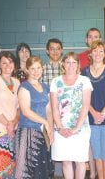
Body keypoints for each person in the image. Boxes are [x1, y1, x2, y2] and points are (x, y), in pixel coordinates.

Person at [78, 27, 105, 178]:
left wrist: (102, 114)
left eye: (101, 51)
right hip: (91, 119)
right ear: (90, 53)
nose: (98, 54)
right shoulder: (84, 72)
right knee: (97, 156)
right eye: (95, 51)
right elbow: (83, 97)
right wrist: (94, 113)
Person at [50, 52, 93, 179]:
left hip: (80, 129)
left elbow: (85, 106)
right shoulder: (55, 82)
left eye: (74, 62)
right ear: (63, 64)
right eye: (67, 62)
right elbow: (54, 108)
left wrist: (76, 128)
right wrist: (61, 128)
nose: (70, 65)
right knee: (66, 161)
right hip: (61, 129)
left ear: (78, 64)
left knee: (80, 162)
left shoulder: (84, 81)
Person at [15, 56, 54, 178]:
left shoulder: (46, 87)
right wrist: (45, 123)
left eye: (38, 68)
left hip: (42, 133)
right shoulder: (24, 87)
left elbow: (49, 110)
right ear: (27, 70)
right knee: (27, 170)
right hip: (28, 132)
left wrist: (51, 127)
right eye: (32, 68)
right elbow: (26, 111)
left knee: (42, 169)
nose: (36, 71)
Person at [0, 51, 20, 178]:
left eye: (10, 62)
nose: (7, 65)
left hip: (13, 130)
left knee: (11, 167)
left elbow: (18, 107)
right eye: (4, 63)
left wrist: (15, 121)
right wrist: (8, 125)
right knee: (0, 168)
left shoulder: (16, 82)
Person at [41, 38, 64, 177]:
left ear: (62, 50)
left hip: (64, 114)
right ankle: (49, 174)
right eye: (52, 48)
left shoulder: (68, 67)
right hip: (47, 114)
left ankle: (60, 175)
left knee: (62, 146)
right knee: (49, 144)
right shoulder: (42, 69)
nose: (55, 51)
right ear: (47, 51)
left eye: (57, 48)